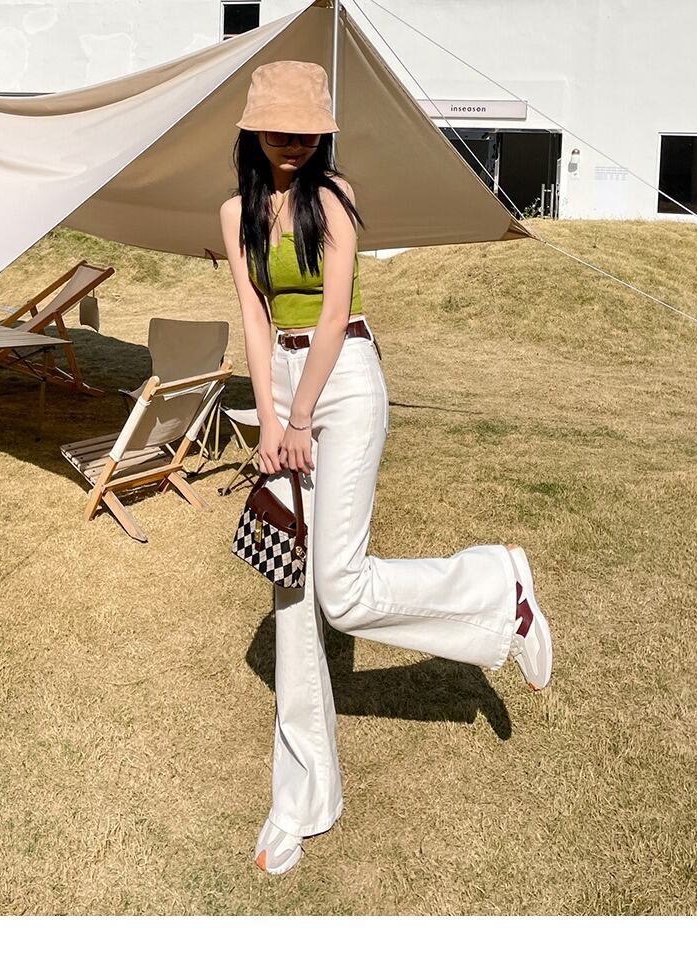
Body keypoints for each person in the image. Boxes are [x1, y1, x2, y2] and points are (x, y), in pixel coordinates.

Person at [218, 60, 552, 877]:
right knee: (294, 599)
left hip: (344, 380)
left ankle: (497, 586)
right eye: (279, 129)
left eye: (307, 132)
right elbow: (255, 319)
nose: (293, 143)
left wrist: (302, 415)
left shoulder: (333, 198)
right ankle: (301, 800)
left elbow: (334, 313)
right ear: (253, 131)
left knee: (341, 589)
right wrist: (271, 419)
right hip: (284, 387)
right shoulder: (235, 212)